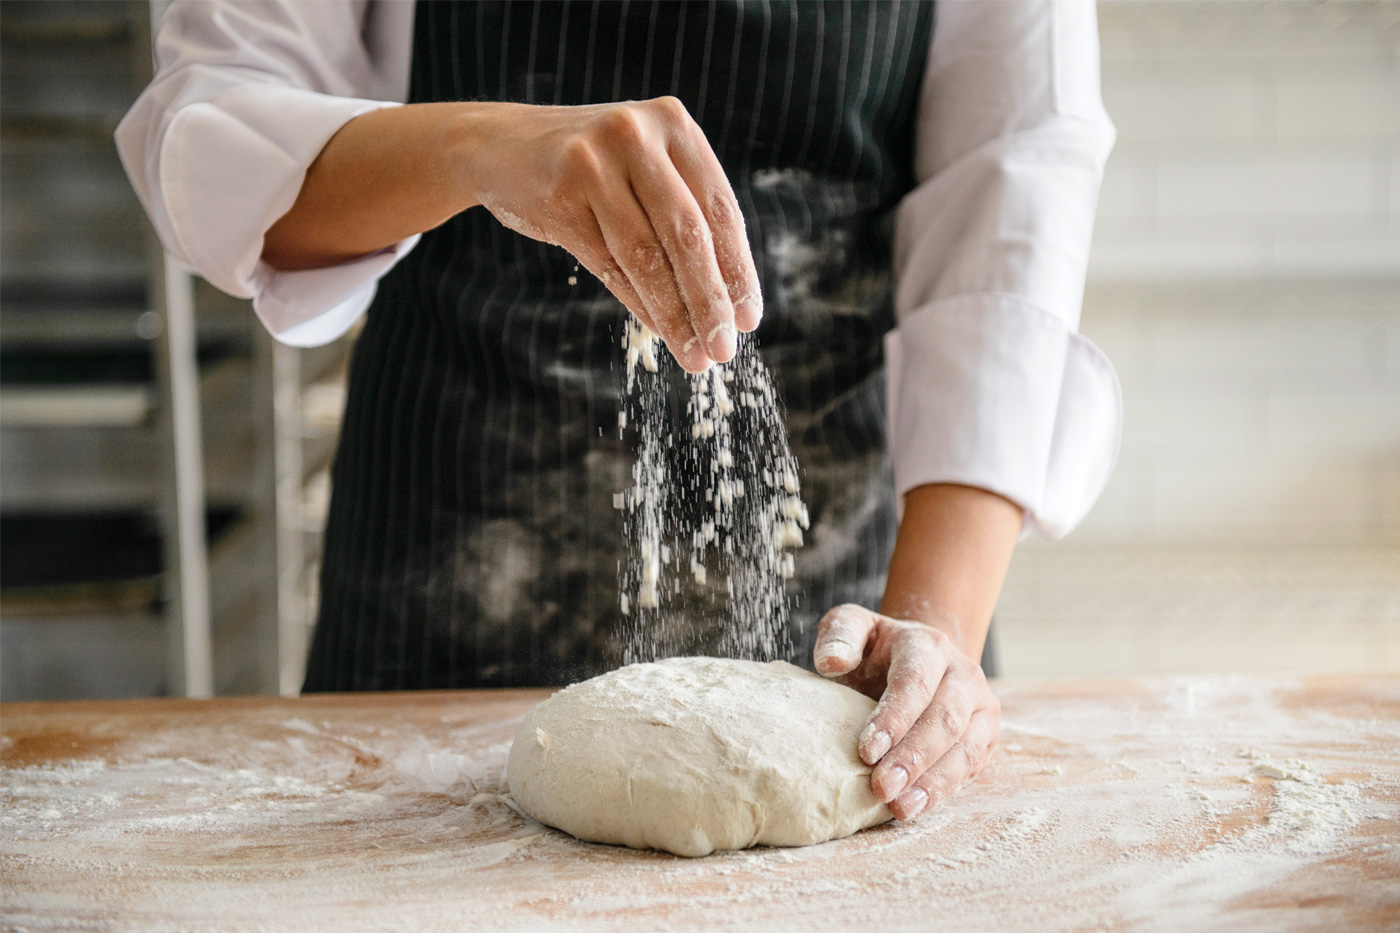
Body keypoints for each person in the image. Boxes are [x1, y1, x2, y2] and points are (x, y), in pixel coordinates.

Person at [118, 0, 1119, 824]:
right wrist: (480, 146)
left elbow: (1015, 188)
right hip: (451, 564)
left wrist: (933, 620)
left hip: (849, 622)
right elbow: (218, 133)